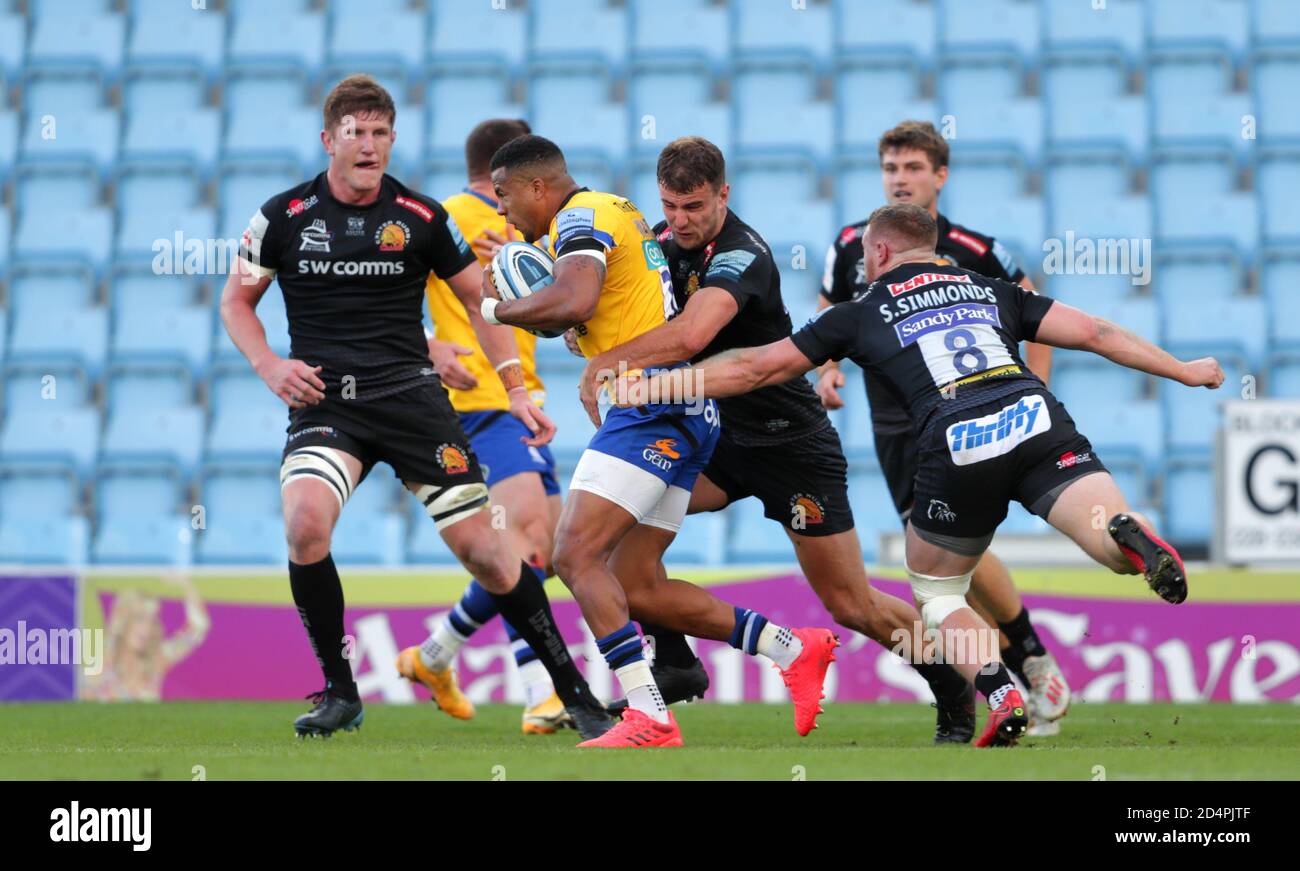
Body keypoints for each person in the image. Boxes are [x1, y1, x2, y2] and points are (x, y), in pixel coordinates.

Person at [616, 203, 1223, 746]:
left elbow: (755, 368)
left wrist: (664, 382)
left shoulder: (860, 311)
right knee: (1107, 536)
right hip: (1034, 419)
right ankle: (1127, 532)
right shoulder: (991, 290)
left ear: (877, 253)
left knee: (937, 593)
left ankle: (999, 690)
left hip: (960, 440)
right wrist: (1184, 370)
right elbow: (1097, 332)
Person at [219, 75, 611, 739]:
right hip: (327, 404)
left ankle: (574, 693)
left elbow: (480, 302)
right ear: (329, 140)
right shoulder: (282, 217)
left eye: (380, 134)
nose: (369, 146)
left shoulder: (424, 218)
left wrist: (514, 387)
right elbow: (236, 300)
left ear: (393, 139)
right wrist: (269, 364)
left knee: (487, 552)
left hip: (411, 401)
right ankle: (339, 690)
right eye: (356, 133)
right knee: (305, 521)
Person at [565, 136, 975, 743]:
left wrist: (606, 364)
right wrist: (584, 333)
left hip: (790, 446)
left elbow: (687, 336)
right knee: (613, 549)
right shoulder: (659, 241)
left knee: (851, 603)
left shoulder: (742, 255)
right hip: (714, 441)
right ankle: (674, 662)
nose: (679, 221)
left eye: (694, 207)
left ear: (723, 196)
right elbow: (632, 319)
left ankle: (954, 686)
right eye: (670, 206)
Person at [481, 134, 837, 748]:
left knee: (574, 555)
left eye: (506, 195)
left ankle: (649, 715)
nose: (502, 210)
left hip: (653, 406)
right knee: (638, 584)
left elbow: (577, 297)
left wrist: (492, 310)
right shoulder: (617, 210)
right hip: (689, 410)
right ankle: (791, 646)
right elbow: (590, 308)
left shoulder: (583, 217)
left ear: (539, 186)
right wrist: (568, 324)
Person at [818, 120, 1070, 734]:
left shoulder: (979, 251)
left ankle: (1024, 655)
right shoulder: (854, 245)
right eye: (890, 168)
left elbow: (1038, 316)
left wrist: (1036, 388)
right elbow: (831, 312)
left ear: (940, 176)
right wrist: (827, 369)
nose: (900, 180)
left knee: (946, 552)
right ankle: (1024, 656)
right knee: (941, 548)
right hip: (896, 422)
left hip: (978, 409)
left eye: (912, 168)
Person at [394, 118, 572, 735]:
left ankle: (434, 655)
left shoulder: (523, 226)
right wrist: (432, 346)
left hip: (519, 399)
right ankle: (541, 692)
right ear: (506, 169)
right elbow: (381, 304)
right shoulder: (442, 218)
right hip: (473, 407)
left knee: (543, 555)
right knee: (521, 545)